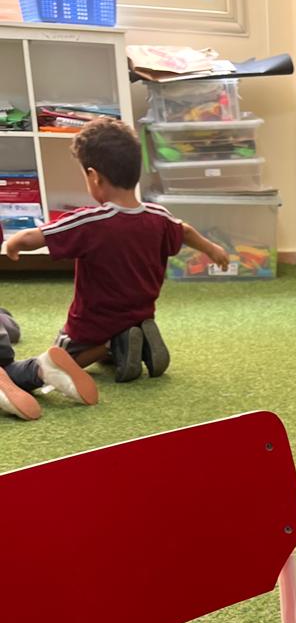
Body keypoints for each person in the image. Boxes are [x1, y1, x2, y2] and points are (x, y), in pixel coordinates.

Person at [0, 117, 229, 420]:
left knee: (63, 354)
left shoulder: (90, 221)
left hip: (91, 323)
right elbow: (184, 230)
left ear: (94, 177)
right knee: (126, 328)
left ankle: (111, 343)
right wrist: (213, 249)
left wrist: (14, 243)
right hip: (140, 311)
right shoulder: (159, 217)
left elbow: (39, 236)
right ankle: (133, 337)